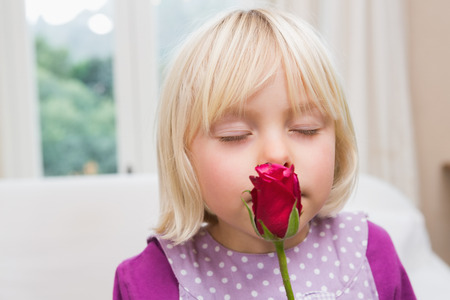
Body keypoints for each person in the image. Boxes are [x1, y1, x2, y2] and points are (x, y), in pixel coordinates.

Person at [113, 8, 416, 300]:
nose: (276, 154)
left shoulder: (368, 252)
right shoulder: (149, 280)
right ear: (185, 158)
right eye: (235, 135)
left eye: (305, 128)